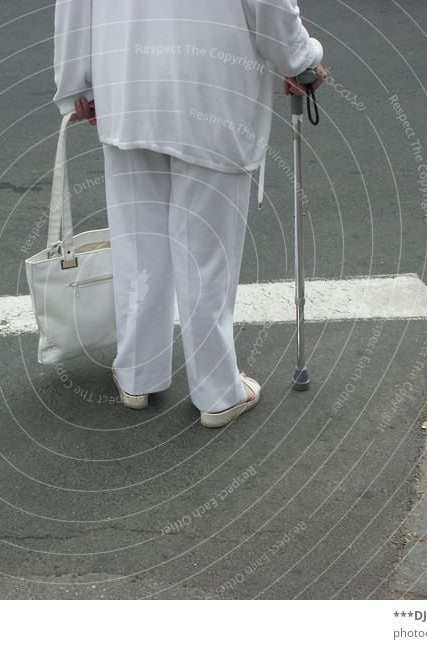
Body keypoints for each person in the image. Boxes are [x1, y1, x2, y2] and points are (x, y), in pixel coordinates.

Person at [53, 0, 325, 427]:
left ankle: (137, 374)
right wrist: (301, 60)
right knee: (206, 251)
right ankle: (217, 391)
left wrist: (77, 86)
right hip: (211, 92)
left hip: (127, 81)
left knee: (138, 244)